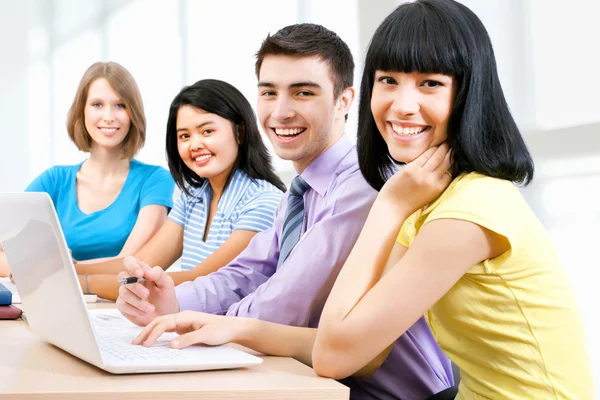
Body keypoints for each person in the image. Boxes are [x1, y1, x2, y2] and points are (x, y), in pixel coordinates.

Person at [119, 24, 455, 400]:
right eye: (268, 92)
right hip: (317, 382)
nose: (280, 112)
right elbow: (250, 271)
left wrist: (204, 325)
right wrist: (174, 302)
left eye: (303, 92)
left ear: (344, 101)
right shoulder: (301, 189)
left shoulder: (364, 185)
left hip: (394, 395)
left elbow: (286, 302)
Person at [307, 1, 591, 399]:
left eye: (430, 83)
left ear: (468, 94)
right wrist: (244, 332)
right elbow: (363, 353)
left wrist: (388, 206)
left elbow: (334, 356)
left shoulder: (468, 211)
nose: (402, 105)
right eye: (388, 80)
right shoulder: (431, 201)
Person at [74, 79, 285, 301]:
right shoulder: (193, 198)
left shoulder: (263, 202)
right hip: (191, 326)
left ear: (240, 132)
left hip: (231, 332)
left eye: (207, 131)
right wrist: (67, 270)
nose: (194, 144)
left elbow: (199, 280)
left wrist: (83, 283)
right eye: (184, 136)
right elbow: (141, 263)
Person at [0, 61, 175, 277]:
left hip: (120, 307)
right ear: (82, 111)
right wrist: (35, 266)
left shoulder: (155, 180)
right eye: (97, 104)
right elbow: (5, 246)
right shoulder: (53, 181)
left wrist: (51, 266)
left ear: (133, 113)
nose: (109, 116)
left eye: (120, 105)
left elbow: (131, 263)